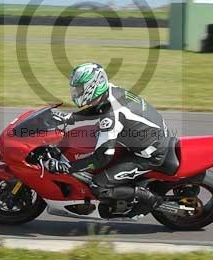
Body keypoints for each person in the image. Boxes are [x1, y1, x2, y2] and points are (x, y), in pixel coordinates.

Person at [43, 62, 171, 215]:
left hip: (150, 154)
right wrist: (71, 118)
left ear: (92, 86)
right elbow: (98, 109)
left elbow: (101, 157)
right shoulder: (109, 91)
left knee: (99, 185)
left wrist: (66, 167)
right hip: (147, 137)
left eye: (79, 88)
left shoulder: (112, 116)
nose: (76, 92)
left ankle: (150, 198)